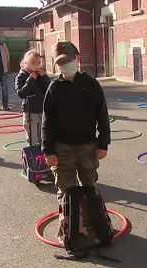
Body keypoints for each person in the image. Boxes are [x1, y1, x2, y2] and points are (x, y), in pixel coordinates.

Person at [41, 41, 111, 202]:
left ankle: (91, 222)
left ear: (77, 58)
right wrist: (48, 151)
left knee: (89, 186)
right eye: (61, 63)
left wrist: (103, 143)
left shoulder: (91, 84)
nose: (65, 65)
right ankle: (68, 223)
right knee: (65, 188)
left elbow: (102, 115)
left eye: (68, 60)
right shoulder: (54, 88)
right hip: (62, 148)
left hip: (88, 146)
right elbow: (47, 122)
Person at [15, 50, 51, 145]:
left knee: (43, 137)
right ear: (27, 63)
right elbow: (21, 93)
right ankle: (32, 157)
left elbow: (48, 89)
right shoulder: (22, 76)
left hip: (41, 110)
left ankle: (41, 157)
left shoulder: (40, 75)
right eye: (33, 63)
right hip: (30, 111)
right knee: (33, 139)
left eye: (39, 63)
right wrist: (30, 80)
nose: (37, 66)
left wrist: (44, 77)